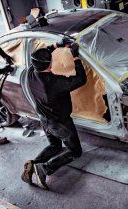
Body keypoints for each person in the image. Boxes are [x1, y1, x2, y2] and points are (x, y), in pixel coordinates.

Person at [21, 39, 86, 190]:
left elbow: (39, 58)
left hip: (44, 120)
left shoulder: (31, 73)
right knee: (75, 151)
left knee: (54, 146)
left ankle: (33, 163)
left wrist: (56, 45)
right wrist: (75, 56)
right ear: (50, 64)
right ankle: (45, 168)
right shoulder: (54, 83)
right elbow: (80, 79)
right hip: (61, 123)